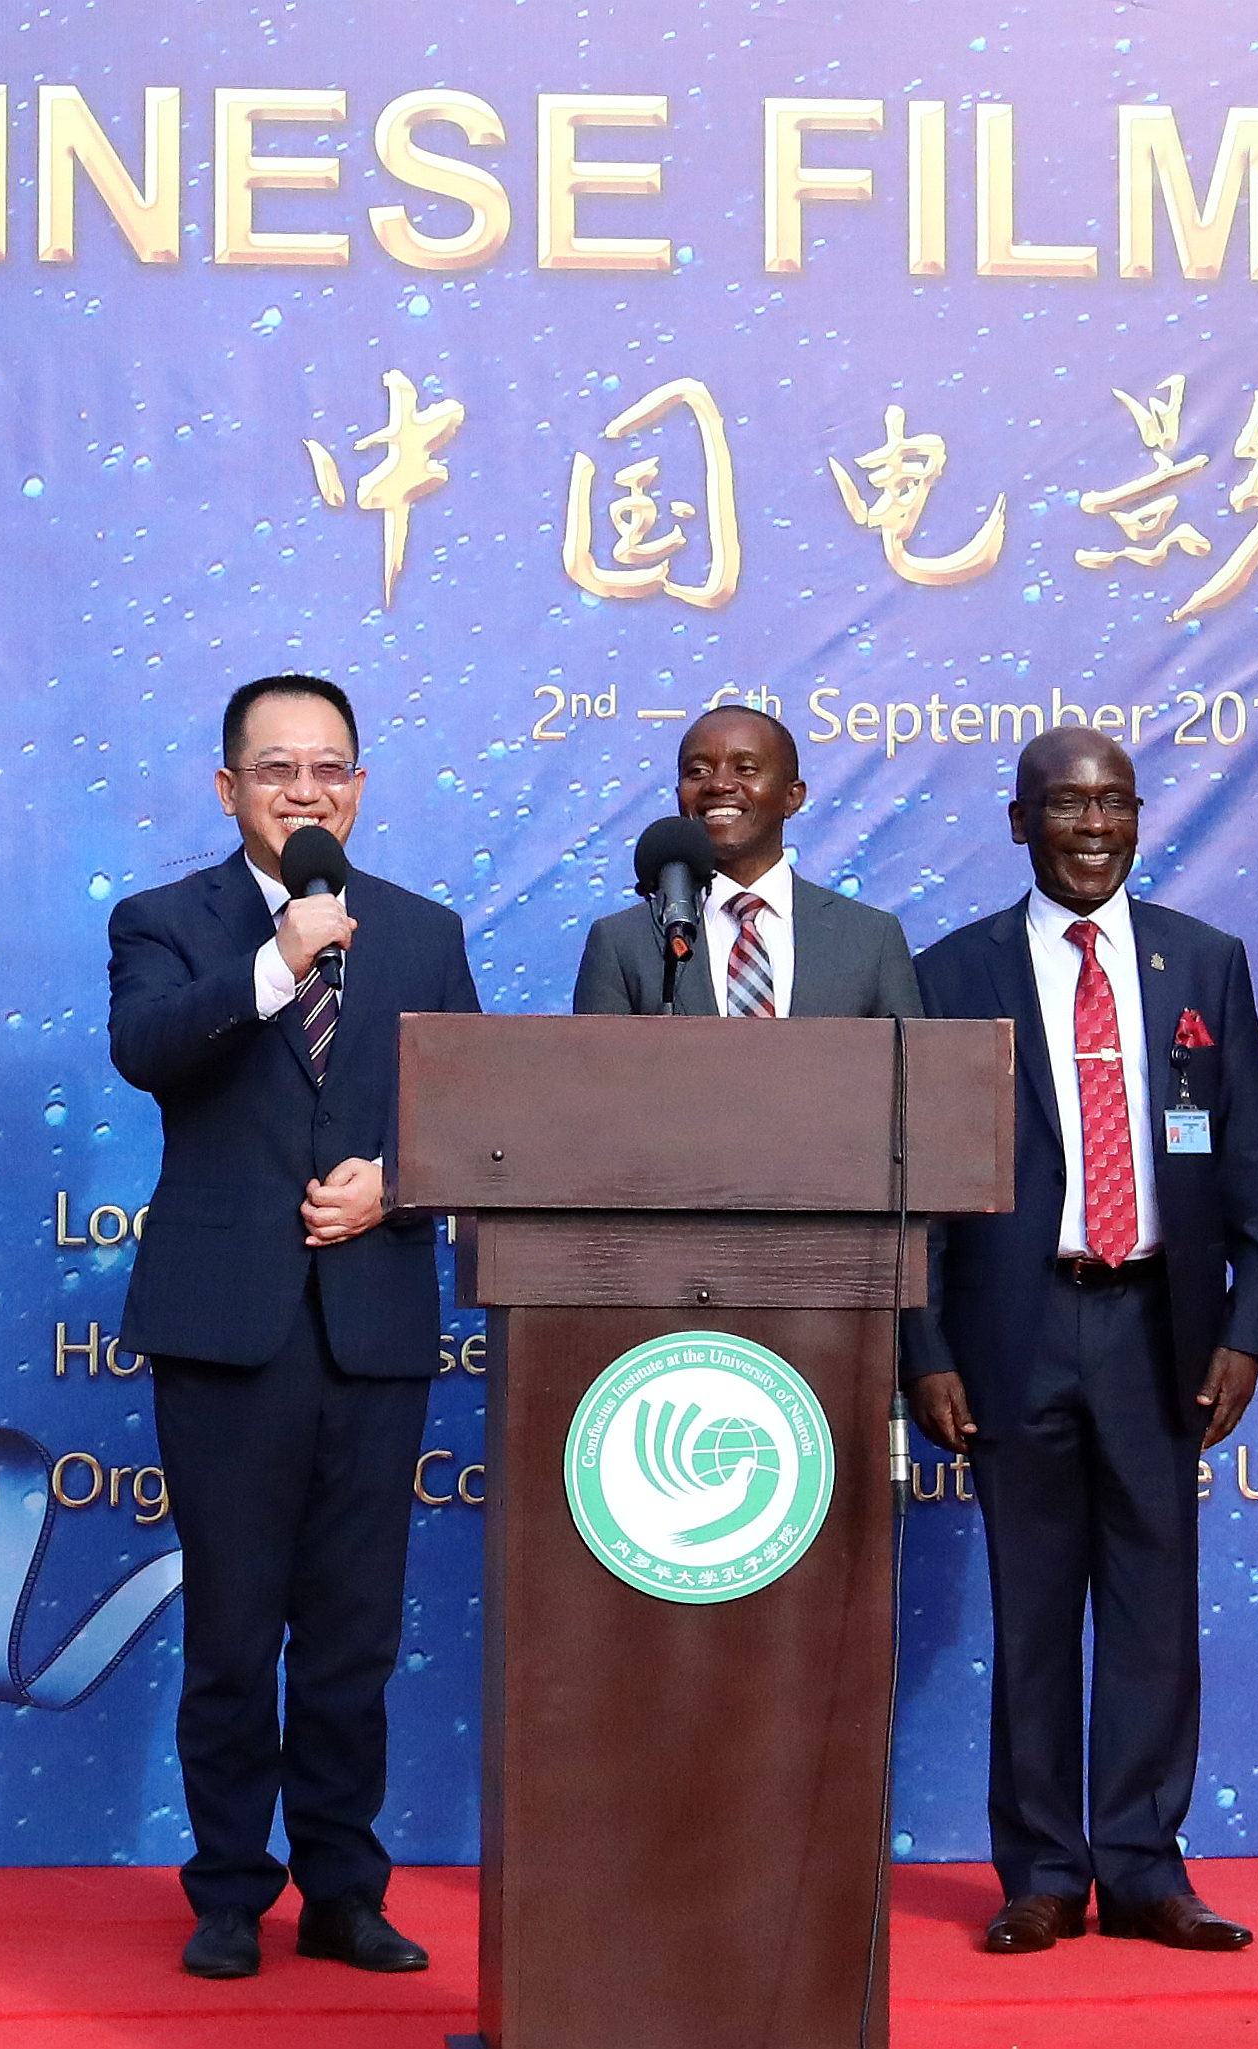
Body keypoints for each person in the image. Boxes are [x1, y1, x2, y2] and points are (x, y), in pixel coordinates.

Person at [106, 672, 479, 1980]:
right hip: (226, 1329)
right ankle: (226, 1891)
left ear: (359, 787)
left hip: (373, 1325)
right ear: (229, 788)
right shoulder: (164, 921)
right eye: (276, 770)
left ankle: (341, 1888)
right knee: (230, 1631)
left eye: (328, 769)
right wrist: (280, 961)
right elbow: (147, 1050)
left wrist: (399, 1183)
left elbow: (471, 1114)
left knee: (352, 1638)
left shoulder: (424, 933)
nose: (304, 792)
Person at [902, 727, 1258, 1956]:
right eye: (1066, 805)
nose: (1092, 826)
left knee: (1150, 1609)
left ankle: (1141, 1867)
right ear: (1020, 823)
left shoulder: (1202, 961)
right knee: (1030, 1612)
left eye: (1113, 803)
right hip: (1011, 1330)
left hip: (1156, 1325)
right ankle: (1038, 1873)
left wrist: (1246, 1330)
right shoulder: (949, 973)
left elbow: (1251, 1163)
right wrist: (924, 1348)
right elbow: (916, 1187)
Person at [571, 705, 922, 1018]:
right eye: (698, 771)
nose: (719, 784)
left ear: (793, 797)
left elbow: (910, 1068)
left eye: (746, 768)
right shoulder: (621, 942)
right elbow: (595, 1069)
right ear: (679, 795)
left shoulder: (872, 938)